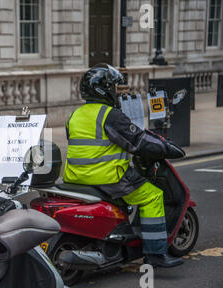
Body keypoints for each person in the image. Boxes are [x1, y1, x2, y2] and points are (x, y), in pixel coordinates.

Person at [63, 63, 184, 268]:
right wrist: (166, 148)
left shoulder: (74, 115)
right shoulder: (110, 115)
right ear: (104, 89)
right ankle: (155, 254)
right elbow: (138, 141)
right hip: (108, 177)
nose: (117, 92)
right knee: (153, 196)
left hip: (74, 177)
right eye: (114, 88)